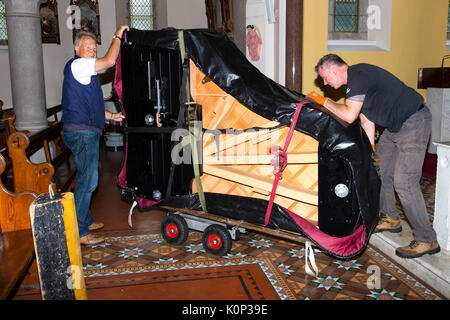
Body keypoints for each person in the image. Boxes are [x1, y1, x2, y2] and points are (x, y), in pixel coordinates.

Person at [307, 54, 439, 259]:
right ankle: (391, 219)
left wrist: (322, 101)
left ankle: (426, 238)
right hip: (395, 128)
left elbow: (349, 115)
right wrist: (370, 153)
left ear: (333, 70)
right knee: (380, 169)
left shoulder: (357, 75)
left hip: (414, 121)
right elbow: (366, 121)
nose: (325, 82)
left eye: (325, 77)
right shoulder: (355, 86)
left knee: (404, 182)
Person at [62, 26, 128, 245]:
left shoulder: (83, 71)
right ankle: (80, 232)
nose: (92, 51)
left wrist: (110, 116)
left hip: (84, 130)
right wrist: (117, 35)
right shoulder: (79, 65)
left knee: (86, 177)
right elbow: (109, 61)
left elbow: (88, 105)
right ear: (76, 47)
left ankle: (85, 220)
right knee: (88, 181)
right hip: (82, 133)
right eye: (87, 47)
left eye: (94, 47)